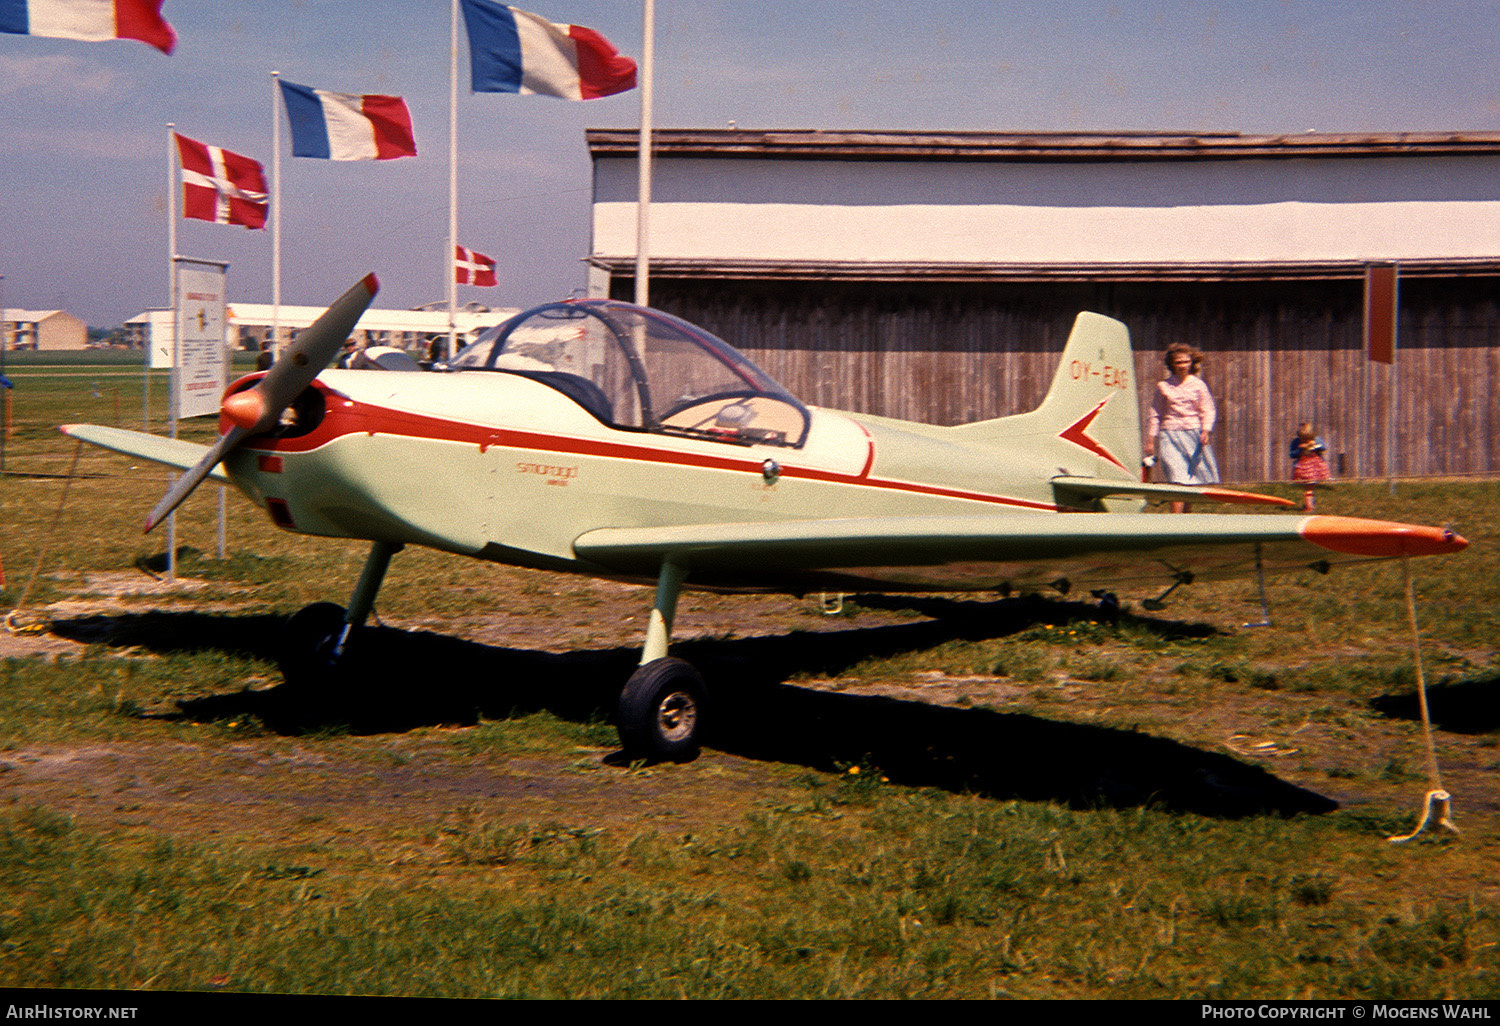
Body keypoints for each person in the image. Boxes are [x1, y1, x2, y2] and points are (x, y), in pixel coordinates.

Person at [1145, 342, 1218, 513]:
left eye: (1186, 362)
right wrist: (1150, 440)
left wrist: (1206, 430)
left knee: (1190, 480)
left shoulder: (1198, 385)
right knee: (1176, 478)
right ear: (1172, 364)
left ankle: (1186, 520)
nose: (1182, 366)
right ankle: (1175, 519)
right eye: (1178, 362)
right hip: (1169, 435)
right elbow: (1155, 413)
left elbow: (1207, 409)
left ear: (1192, 363)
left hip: (1193, 434)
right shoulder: (1163, 386)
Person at [1289, 421, 1331, 511]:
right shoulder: (1296, 442)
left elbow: (1323, 448)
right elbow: (1292, 454)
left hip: (1315, 465)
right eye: (1303, 438)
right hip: (1304, 466)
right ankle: (1309, 506)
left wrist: (1315, 446)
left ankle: (1309, 505)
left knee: (1310, 487)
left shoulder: (1316, 439)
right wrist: (1301, 449)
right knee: (1308, 487)